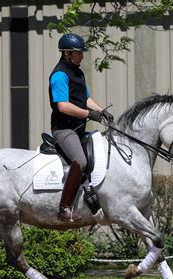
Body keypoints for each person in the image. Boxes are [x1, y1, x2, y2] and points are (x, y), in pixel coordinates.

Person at [49, 33, 114, 222]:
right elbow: (63, 106)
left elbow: (84, 99)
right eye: (79, 53)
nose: (82, 56)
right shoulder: (59, 75)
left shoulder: (78, 72)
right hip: (64, 130)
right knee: (81, 161)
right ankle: (64, 208)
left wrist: (101, 111)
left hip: (78, 129)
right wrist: (89, 114)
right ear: (67, 53)